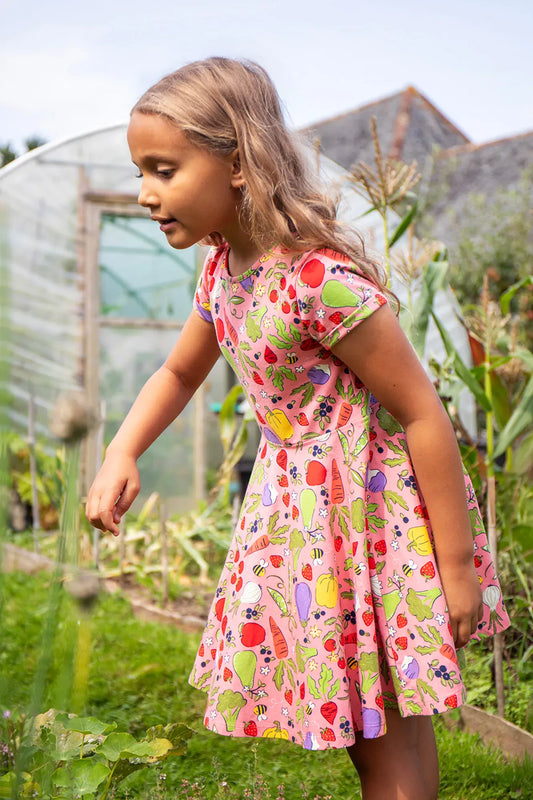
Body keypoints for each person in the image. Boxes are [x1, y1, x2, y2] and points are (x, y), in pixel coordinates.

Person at [86, 57, 509, 800]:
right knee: (374, 726)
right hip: (303, 517)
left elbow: (421, 413)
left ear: (238, 162)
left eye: (164, 168)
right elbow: (178, 374)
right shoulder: (222, 271)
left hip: (369, 520)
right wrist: (122, 450)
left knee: (382, 736)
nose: (146, 193)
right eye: (140, 170)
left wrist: (455, 568)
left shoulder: (315, 279)